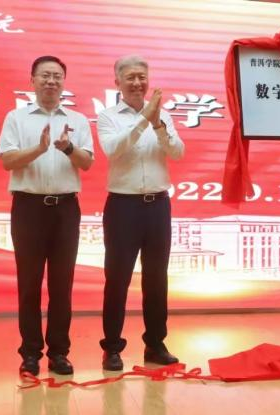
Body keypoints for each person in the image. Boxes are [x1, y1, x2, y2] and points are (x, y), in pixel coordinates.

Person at [0, 56, 94, 375]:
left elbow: (87, 163)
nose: (51, 81)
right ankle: (30, 353)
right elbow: (7, 161)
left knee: (62, 285)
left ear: (63, 82)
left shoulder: (77, 120)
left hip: (66, 209)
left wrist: (67, 148)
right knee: (29, 284)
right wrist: (39, 149)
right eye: (45, 75)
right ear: (32, 81)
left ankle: (59, 353)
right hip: (28, 208)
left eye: (57, 76)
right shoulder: (16, 117)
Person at [97, 55, 185, 371]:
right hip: (123, 206)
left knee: (157, 278)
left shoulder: (164, 115)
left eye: (142, 77)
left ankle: (155, 344)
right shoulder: (107, 117)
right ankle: (112, 347)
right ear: (117, 82)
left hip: (158, 205)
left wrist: (157, 123)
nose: (137, 83)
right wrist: (144, 119)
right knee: (117, 278)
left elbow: (177, 152)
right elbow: (113, 150)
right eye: (131, 77)